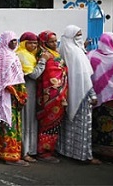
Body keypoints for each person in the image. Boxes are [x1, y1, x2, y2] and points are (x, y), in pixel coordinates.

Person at [57, 25, 101, 165]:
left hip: (68, 94)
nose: (80, 38)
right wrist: (93, 95)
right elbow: (84, 77)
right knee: (82, 127)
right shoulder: (77, 53)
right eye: (78, 36)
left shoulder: (63, 50)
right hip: (82, 94)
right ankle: (84, 156)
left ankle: (67, 151)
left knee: (68, 125)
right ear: (71, 38)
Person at [88, 32, 113, 161]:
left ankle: (97, 150)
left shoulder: (91, 55)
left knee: (99, 124)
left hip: (97, 96)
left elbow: (88, 76)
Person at [0, 31, 29, 166]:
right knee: (9, 125)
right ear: (5, 41)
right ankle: (10, 156)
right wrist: (18, 95)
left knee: (12, 125)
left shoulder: (12, 54)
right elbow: (5, 80)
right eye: (11, 41)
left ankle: (9, 153)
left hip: (15, 97)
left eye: (16, 41)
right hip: (8, 95)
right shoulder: (4, 55)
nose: (14, 43)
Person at [16, 31, 48, 163]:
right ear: (24, 43)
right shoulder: (22, 55)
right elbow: (34, 75)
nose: (34, 45)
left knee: (31, 121)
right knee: (26, 121)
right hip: (26, 91)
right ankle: (25, 151)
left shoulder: (30, 55)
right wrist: (43, 61)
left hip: (33, 92)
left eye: (35, 43)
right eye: (30, 43)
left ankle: (31, 150)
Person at [36, 30, 68, 163]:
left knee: (55, 124)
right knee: (48, 124)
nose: (54, 43)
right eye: (51, 41)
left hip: (60, 93)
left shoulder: (55, 54)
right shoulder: (44, 55)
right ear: (44, 42)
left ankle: (51, 149)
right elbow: (49, 75)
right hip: (51, 96)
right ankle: (44, 152)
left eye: (55, 41)